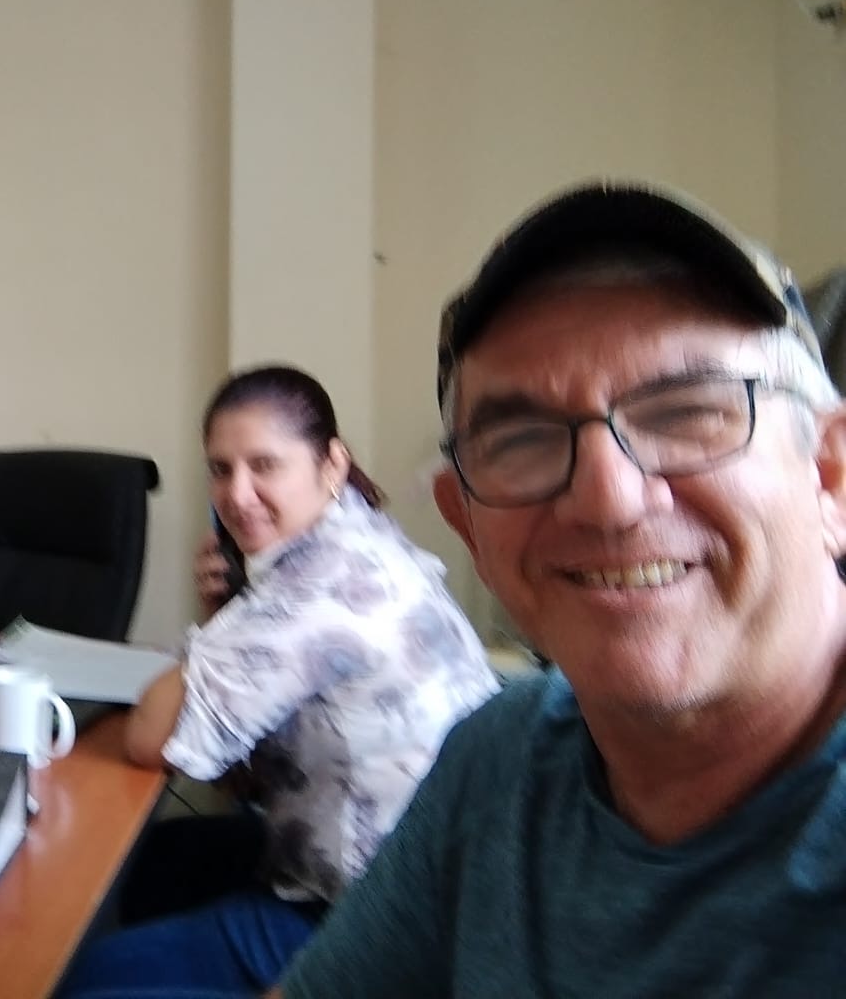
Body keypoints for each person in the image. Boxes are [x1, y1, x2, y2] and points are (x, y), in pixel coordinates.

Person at [272, 181, 846, 998]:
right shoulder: (498, 757)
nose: (608, 500)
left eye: (686, 412)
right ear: (469, 528)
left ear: (829, 478)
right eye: (522, 440)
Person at [57, 365, 498, 997]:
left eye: (264, 465)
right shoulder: (358, 535)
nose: (237, 495)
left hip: (381, 920)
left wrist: (229, 622)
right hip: (418, 871)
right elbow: (240, 754)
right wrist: (236, 615)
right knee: (151, 863)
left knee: (88, 974)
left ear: (331, 464)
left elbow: (150, 738)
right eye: (220, 469)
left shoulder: (319, 587)